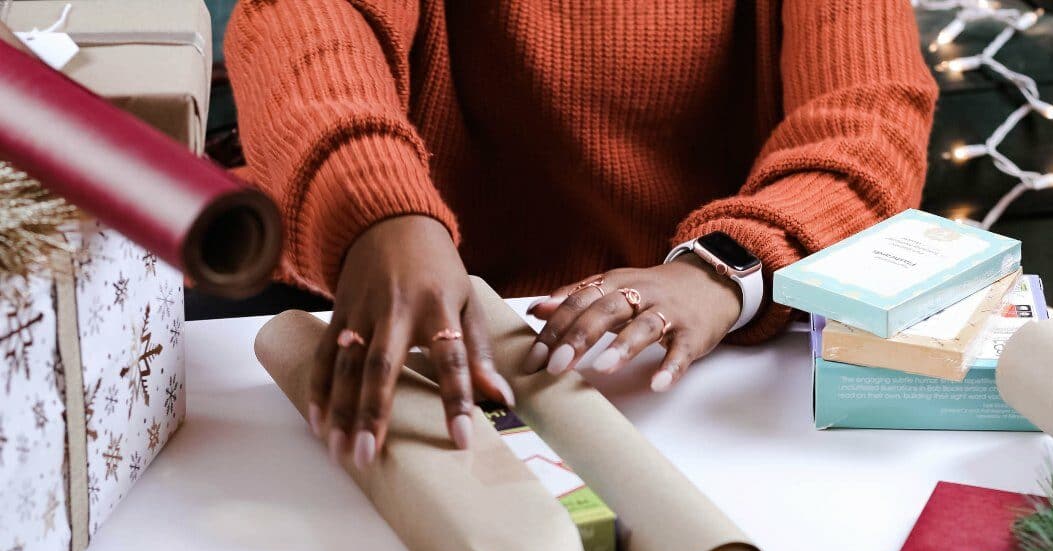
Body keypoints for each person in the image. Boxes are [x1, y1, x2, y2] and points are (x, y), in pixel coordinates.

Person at [226, 0, 937, 467]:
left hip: (704, 359)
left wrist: (720, 268)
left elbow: (869, 120)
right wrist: (379, 208)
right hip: (412, 334)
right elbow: (305, 25)